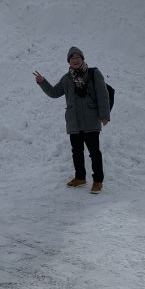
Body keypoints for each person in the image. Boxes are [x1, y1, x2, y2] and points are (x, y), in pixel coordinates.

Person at [33, 46, 111, 194]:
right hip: (74, 122)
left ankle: (98, 181)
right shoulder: (66, 79)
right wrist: (42, 82)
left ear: (82, 59)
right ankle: (80, 177)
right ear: (69, 61)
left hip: (91, 121)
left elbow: (103, 95)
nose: (75, 60)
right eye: (72, 58)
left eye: (78, 57)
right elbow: (54, 93)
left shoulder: (94, 73)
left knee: (94, 152)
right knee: (76, 152)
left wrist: (104, 115)